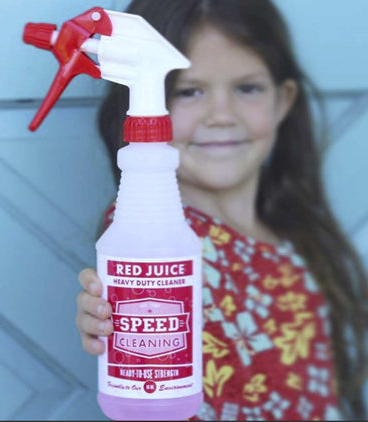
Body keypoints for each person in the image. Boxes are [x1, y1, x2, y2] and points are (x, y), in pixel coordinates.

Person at [75, 0, 368, 419]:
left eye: (246, 88)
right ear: (145, 108)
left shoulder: (289, 229)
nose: (221, 116)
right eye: (189, 91)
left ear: (283, 101)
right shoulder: (151, 238)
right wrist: (109, 319)